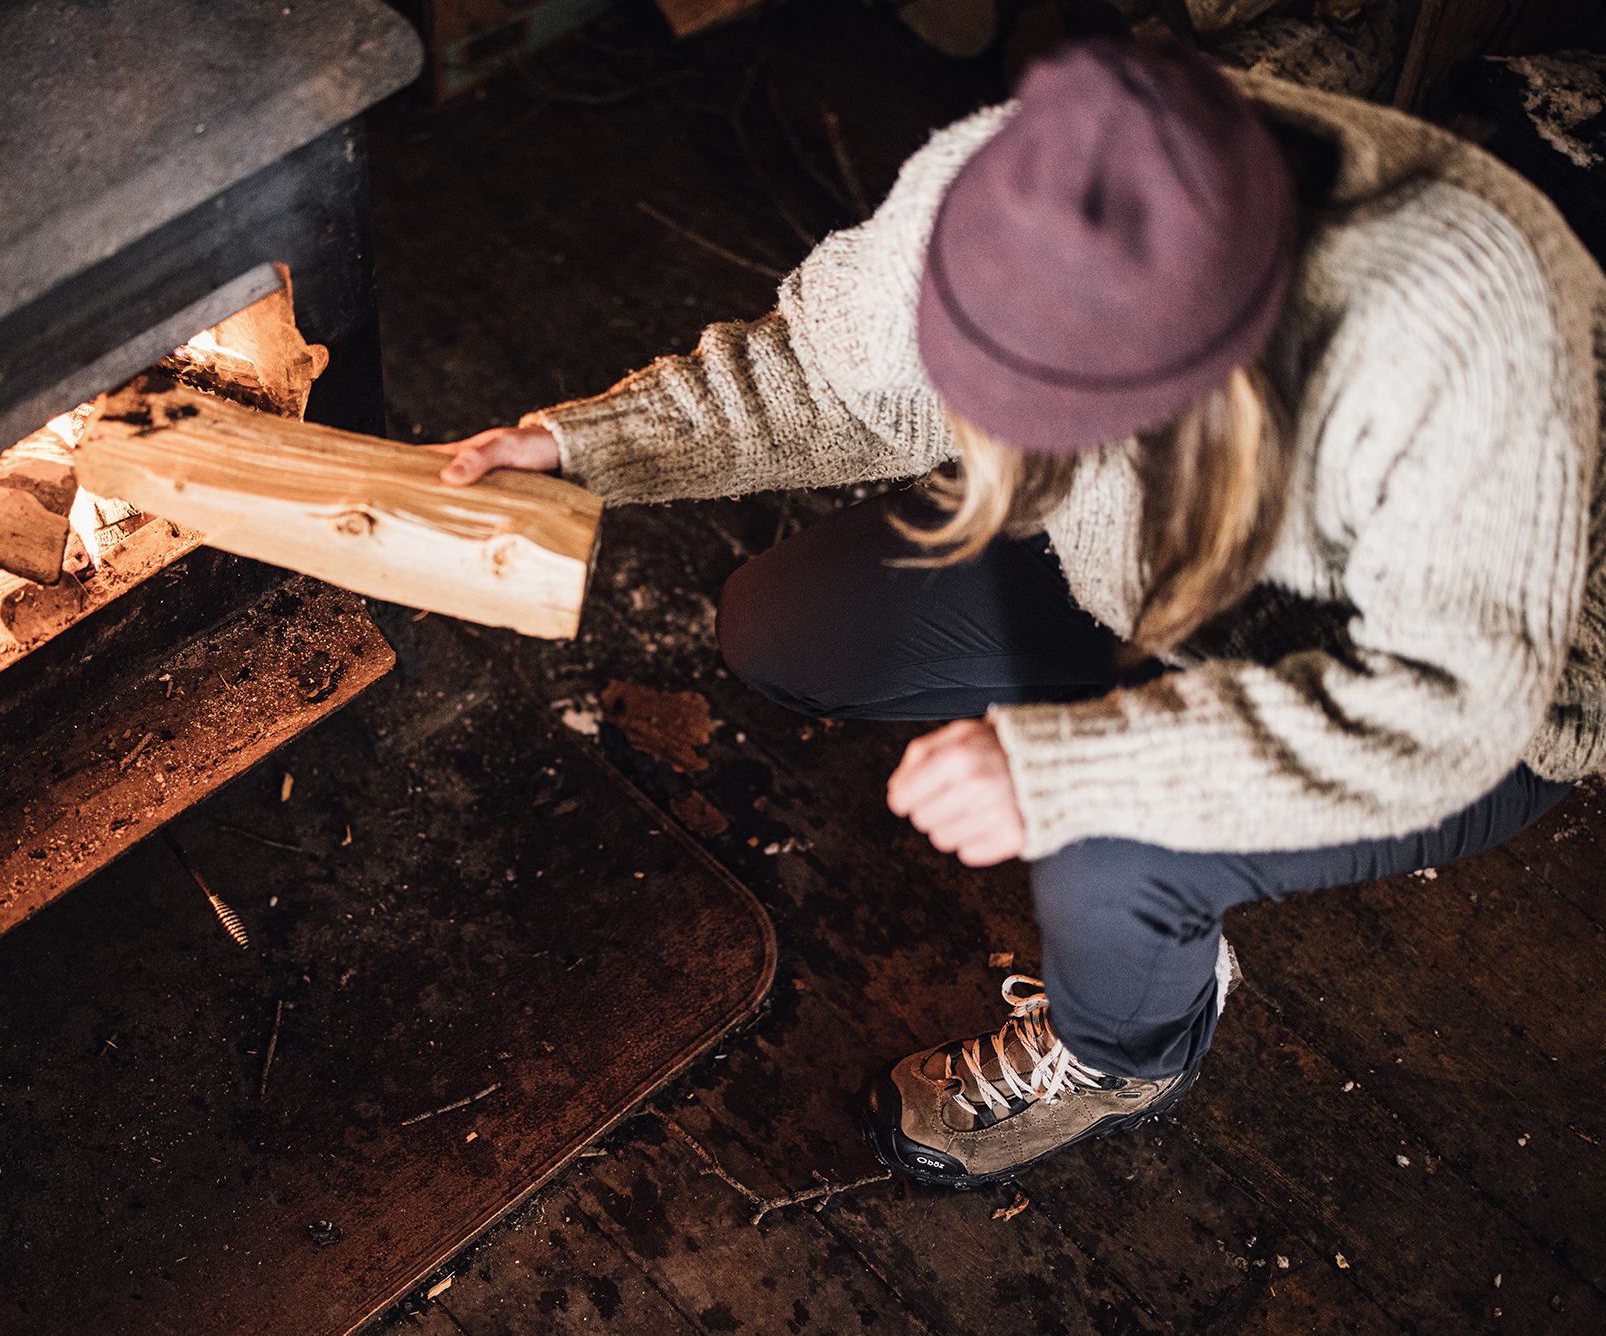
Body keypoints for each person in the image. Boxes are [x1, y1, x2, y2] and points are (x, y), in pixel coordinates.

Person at [431, 37, 1606, 1188]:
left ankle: (1129, 1047)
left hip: (1455, 693)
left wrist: (1072, 771)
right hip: (1154, 562)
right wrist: (580, 445)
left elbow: (1445, 705)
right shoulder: (1028, 168)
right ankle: (1128, 760)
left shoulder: (1456, 361)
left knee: (1112, 848)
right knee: (792, 627)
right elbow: (827, 375)